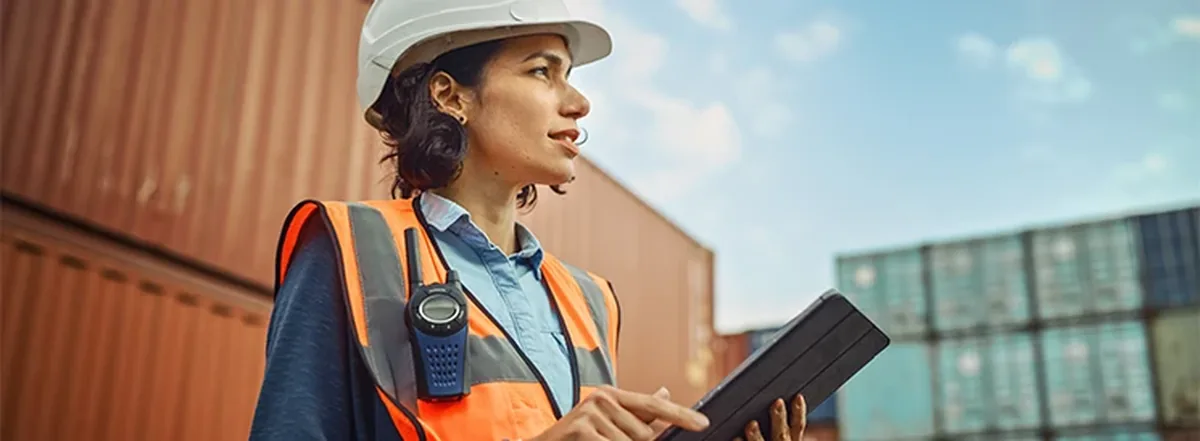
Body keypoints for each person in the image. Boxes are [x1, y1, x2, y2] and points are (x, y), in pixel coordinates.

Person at [248, 0, 807, 440]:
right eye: (543, 72)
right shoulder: (349, 249)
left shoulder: (590, 300)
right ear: (450, 95)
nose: (579, 102)